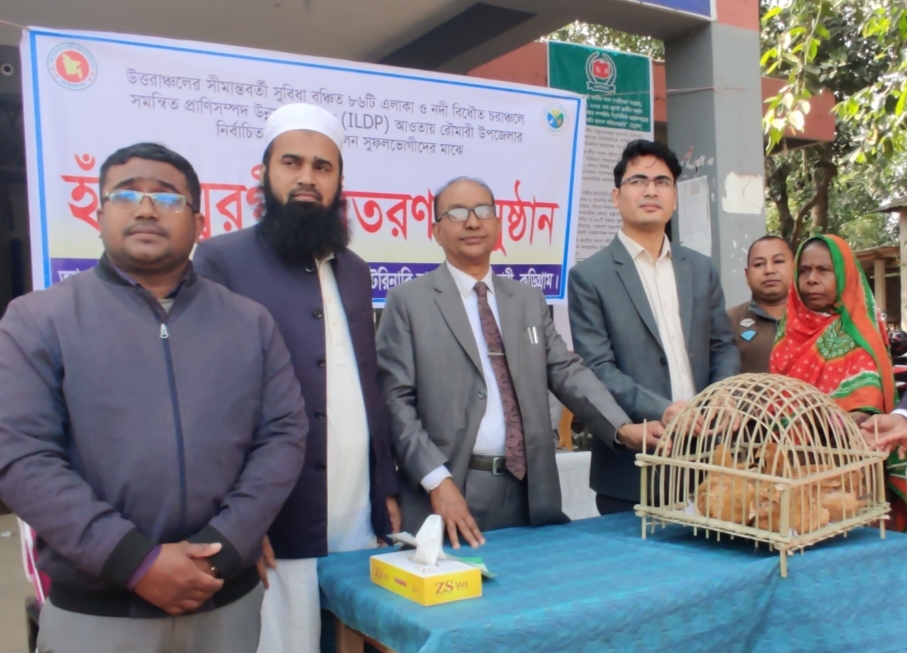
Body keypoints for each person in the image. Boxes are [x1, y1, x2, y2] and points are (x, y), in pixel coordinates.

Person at [0, 143, 308, 653]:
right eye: (125, 195)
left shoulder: (249, 321)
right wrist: (135, 561)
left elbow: (283, 438)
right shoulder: (38, 319)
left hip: (224, 602)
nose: (145, 209)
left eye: (166, 198)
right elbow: (21, 456)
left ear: (199, 222)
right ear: (98, 215)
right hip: (97, 613)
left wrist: (220, 550)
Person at [193, 103, 398, 653]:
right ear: (264, 173)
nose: (307, 177)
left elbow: (369, 386)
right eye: (292, 162)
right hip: (276, 515)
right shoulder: (220, 260)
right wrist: (239, 518)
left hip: (357, 509)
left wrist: (385, 488)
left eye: (322, 166)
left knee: (352, 637)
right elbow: (208, 403)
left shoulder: (355, 269)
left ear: (339, 182)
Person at [376, 176, 662, 548]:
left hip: (529, 493)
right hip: (452, 491)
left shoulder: (527, 300)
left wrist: (622, 428)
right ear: (436, 231)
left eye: (483, 211)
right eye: (457, 213)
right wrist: (436, 480)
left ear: (498, 224)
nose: (473, 222)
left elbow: (566, 371)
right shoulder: (408, 302)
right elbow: (394, 402)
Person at [568, 139, 740, 515]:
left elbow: (723, 345)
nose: (651, 190)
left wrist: (723, 395)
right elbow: (598, 368)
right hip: (634, 470)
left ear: (674, 198)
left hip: (710, 462)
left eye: (662, 182)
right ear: (616, 197)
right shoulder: (589, 277)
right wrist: (662, 409)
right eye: (638, 181)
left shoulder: (700, 268)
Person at [767, 235, 901, 529]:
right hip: (789, 468)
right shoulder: (788, 329)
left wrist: (851, 420)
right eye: (804, 270)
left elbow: (867, 403)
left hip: (847, 475)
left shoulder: (858, 332)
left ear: (844, 275)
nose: (812, 279)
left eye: (823, 270)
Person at [727, 235, 794, 373]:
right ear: (747, 275)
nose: (769, 270)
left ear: (795, 269)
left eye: (778, 261)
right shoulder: (727, 322)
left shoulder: (814, 320)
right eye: (759, 264)